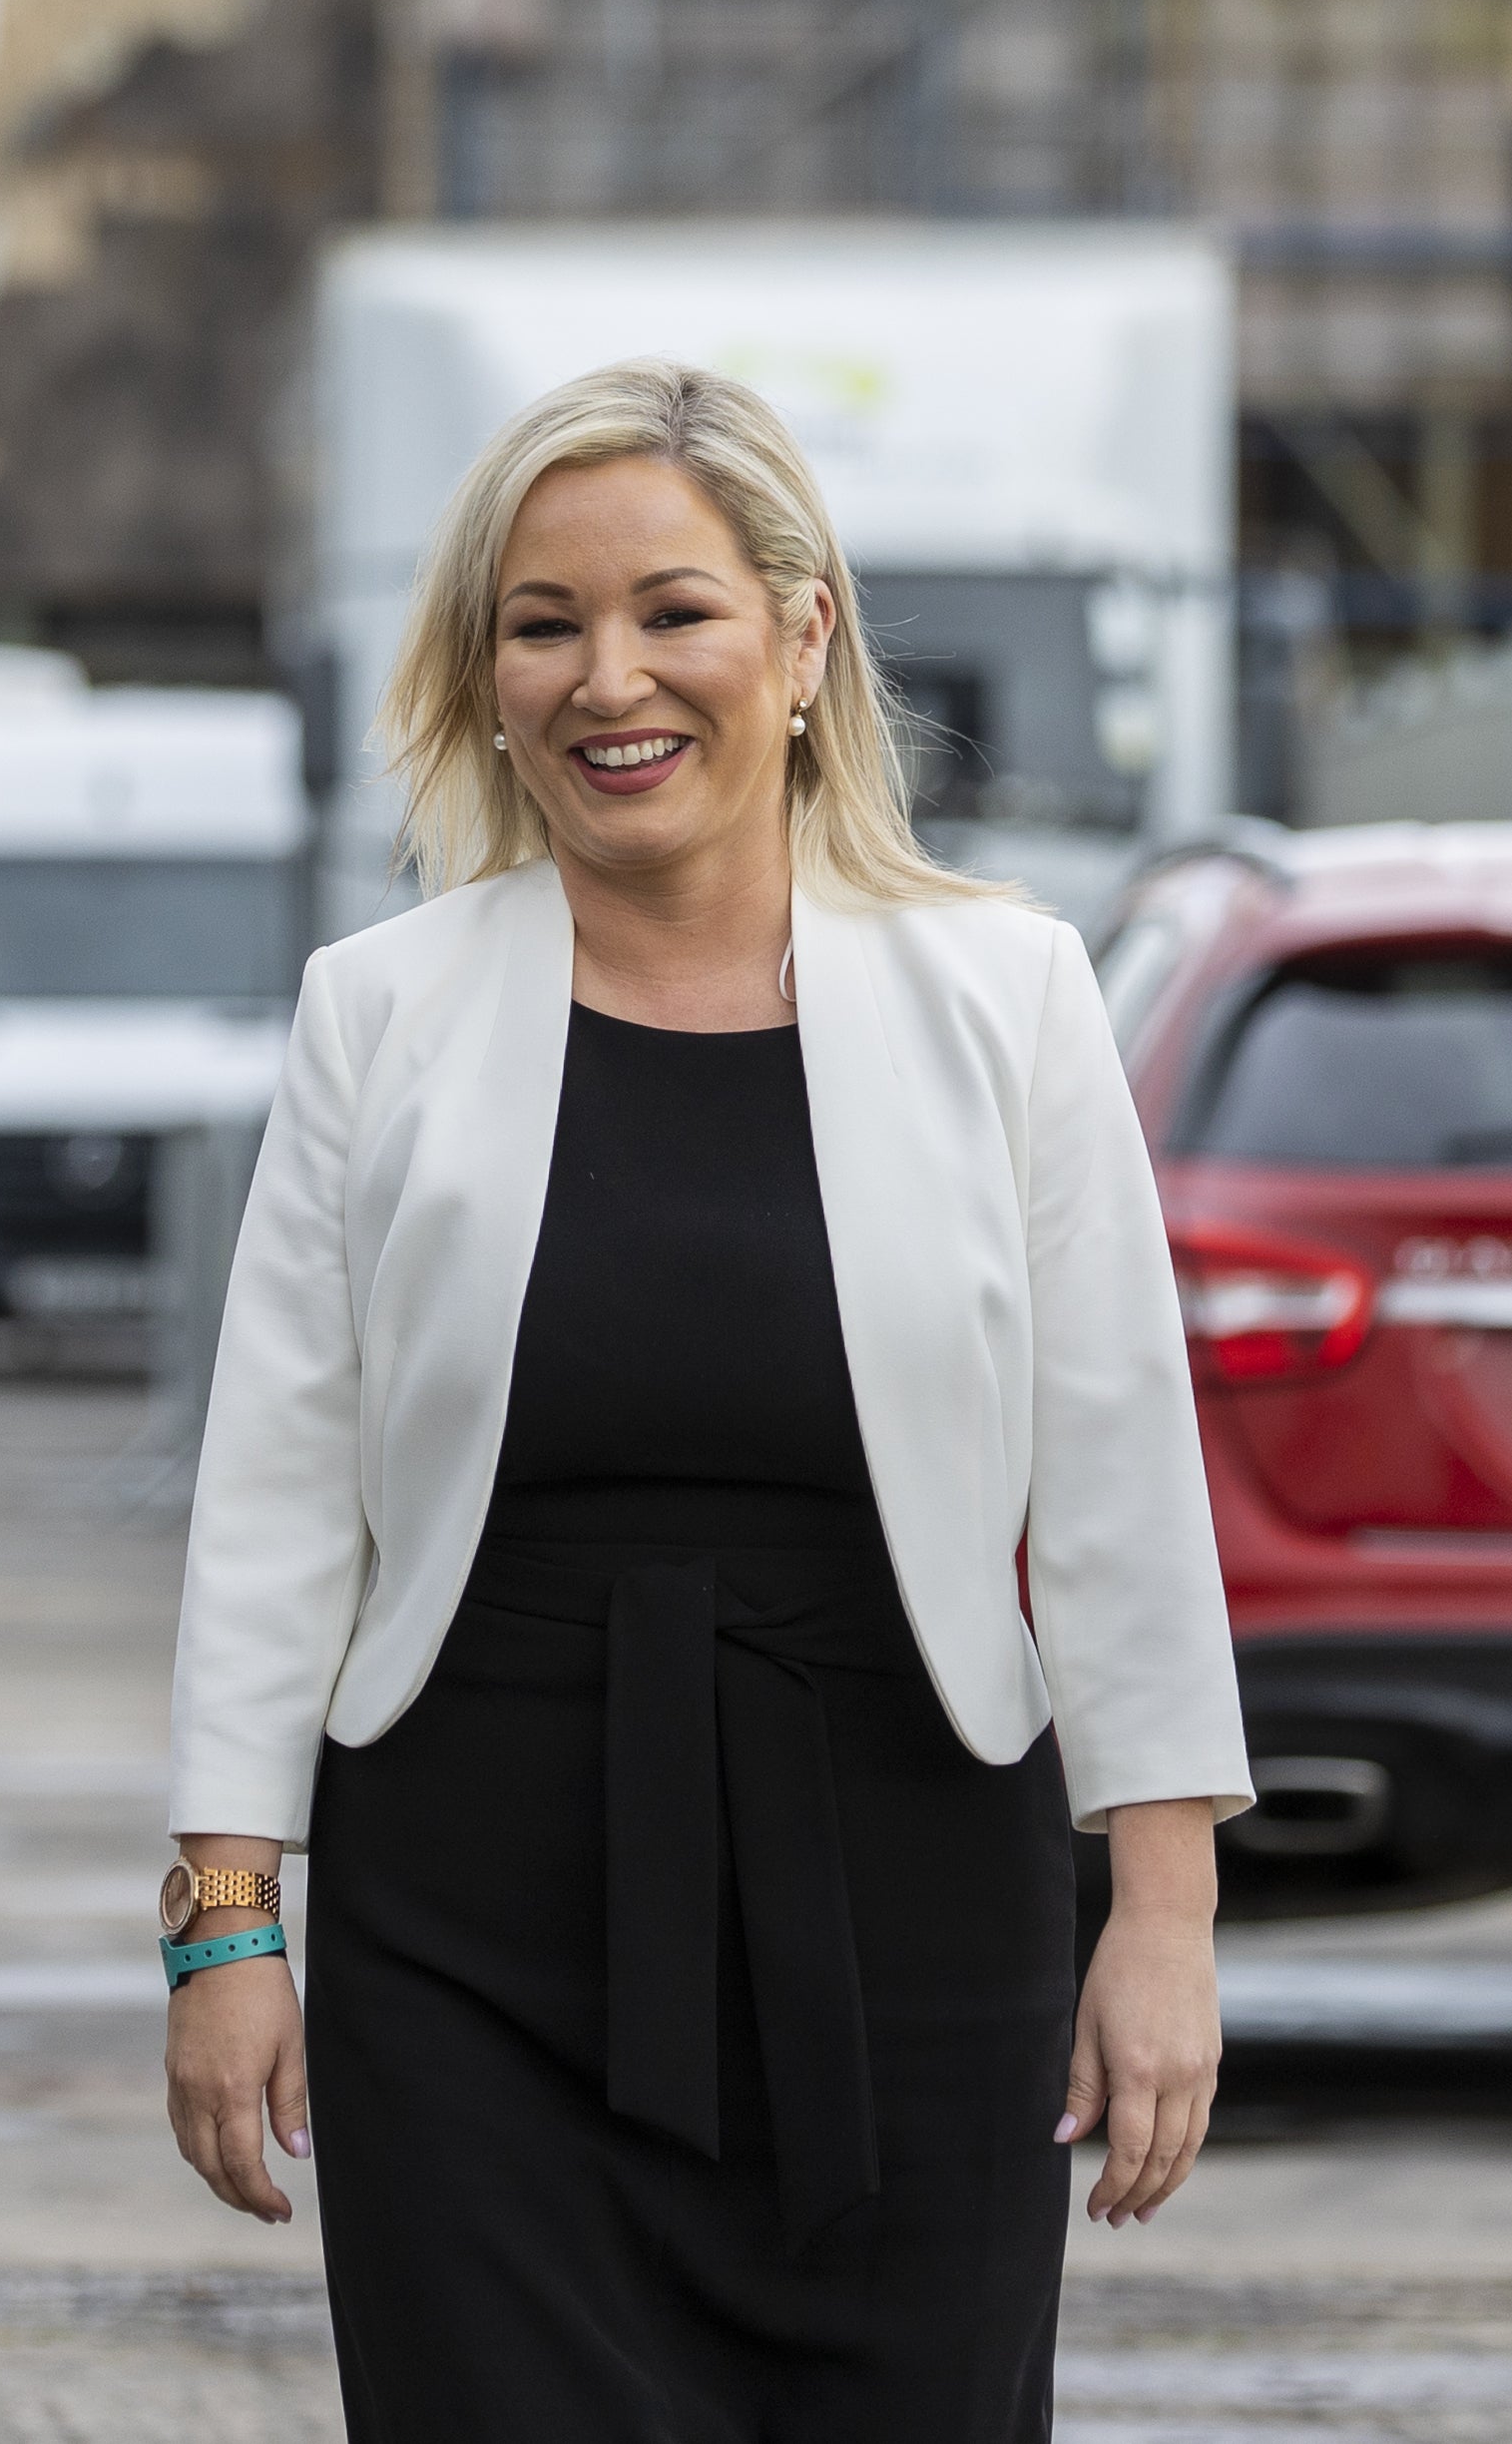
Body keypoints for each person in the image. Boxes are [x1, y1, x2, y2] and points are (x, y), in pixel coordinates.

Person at [158, 359, 1253, 2441]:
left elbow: (1118, 1483)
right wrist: (223, 1929)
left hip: (918, 1910)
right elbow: (277, 1500)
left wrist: (1164, 1921)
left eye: (672, 611)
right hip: (466, 1932)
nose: (607, 679)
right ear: (481, 678)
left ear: (803, 635)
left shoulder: (1009, 994)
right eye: (541, 622)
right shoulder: (371, 1018)